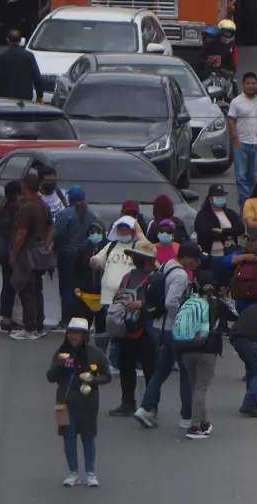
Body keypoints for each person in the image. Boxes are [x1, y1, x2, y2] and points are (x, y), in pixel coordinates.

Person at [135, 241, 202, 429]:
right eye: (196, 259)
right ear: (187, 258)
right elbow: (171, 302)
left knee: (161, 370)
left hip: (160, 327)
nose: (197, 263)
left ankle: (145, 408)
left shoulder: (165, 266)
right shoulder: (180, 275)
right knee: (187, 372)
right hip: (174, 329)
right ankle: (187, 417)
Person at [48, 319, 111, 487]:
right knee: (68, 437)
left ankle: (90, 473)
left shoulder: (96, 354)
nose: (72, 336)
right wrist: (59, 366)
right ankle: (73, 473)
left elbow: (107, 376)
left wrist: (93, 379)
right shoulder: (61, 353)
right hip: (64, 401)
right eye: (70, 332)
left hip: (87, 401)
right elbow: (50, 377)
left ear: (84, 336)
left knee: (88, 436)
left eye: (76, 333)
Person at [109, 237, 159, 416]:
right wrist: (120, 296)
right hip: (126, 327)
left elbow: (161, 303)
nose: (134, 259)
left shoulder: (157, 277)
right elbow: (119, 296)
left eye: (138, 256)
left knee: (150, 369)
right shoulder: (128, 275)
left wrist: (142, 304)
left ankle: (150, 405)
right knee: (125, 366)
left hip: (147, 328)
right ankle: (127, 402)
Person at [9, 171, 55, 340]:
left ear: (24, 187)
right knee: (37, 290)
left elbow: (21, 233)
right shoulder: (43, 205)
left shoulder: (27, 207)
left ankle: (29, 328)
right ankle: (39, 326)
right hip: (41, 254)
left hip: (27, 254)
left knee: (27, 290)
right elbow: (51, 227)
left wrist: (14, 254)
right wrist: (46, 243)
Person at [180, 282, 225, 439]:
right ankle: (195, 426)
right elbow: (234, 314)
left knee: (196, 386)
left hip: (186, 348)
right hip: (207, 349)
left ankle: (204, 422)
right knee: (201, 387)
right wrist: (225, 298)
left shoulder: (187, 302)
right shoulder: (217, 303)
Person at [54, 185, 101, 328]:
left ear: (70, 198)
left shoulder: (65, 214)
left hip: (67, 255)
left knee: (67, 287)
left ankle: (65, 321)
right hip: (85, 256)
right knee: (81, 288)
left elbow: (58, 234)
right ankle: (80, 319)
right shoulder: (91, 214)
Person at [228, 72, 257, 207]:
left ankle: (252, 200)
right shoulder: (236, 102)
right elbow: (231, 121)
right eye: (247, 83)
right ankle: (244, 201)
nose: (250, 86)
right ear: (243, 85)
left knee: (252, 176)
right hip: (241, 143)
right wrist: (235, 139)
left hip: (256, 143)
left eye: (253, 83)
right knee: (241, 176)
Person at [0, 181, 23, 333]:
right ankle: (6, 319)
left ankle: (6, 318)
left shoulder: (2, 207)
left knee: (7, 283)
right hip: (8, 250)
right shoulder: (15, 210)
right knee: (10, 285)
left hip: (0, 248)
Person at [194, 183, 246, 260]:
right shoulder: (202, 215)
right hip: (211, 255)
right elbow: (204, 232)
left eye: (222, 196)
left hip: (231, 253)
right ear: (210, 199)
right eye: (217, 196)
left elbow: (240, 229)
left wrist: (222, 231)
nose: (220, 198)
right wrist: (229, 233)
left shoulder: (230, 213)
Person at [0, 29, 45, 101]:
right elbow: (37, 77)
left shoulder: (2, 57)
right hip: (24, 98)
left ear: (7, 40)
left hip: (5, 98)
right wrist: (39, 95)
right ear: (20, 40)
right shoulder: (28, 56)